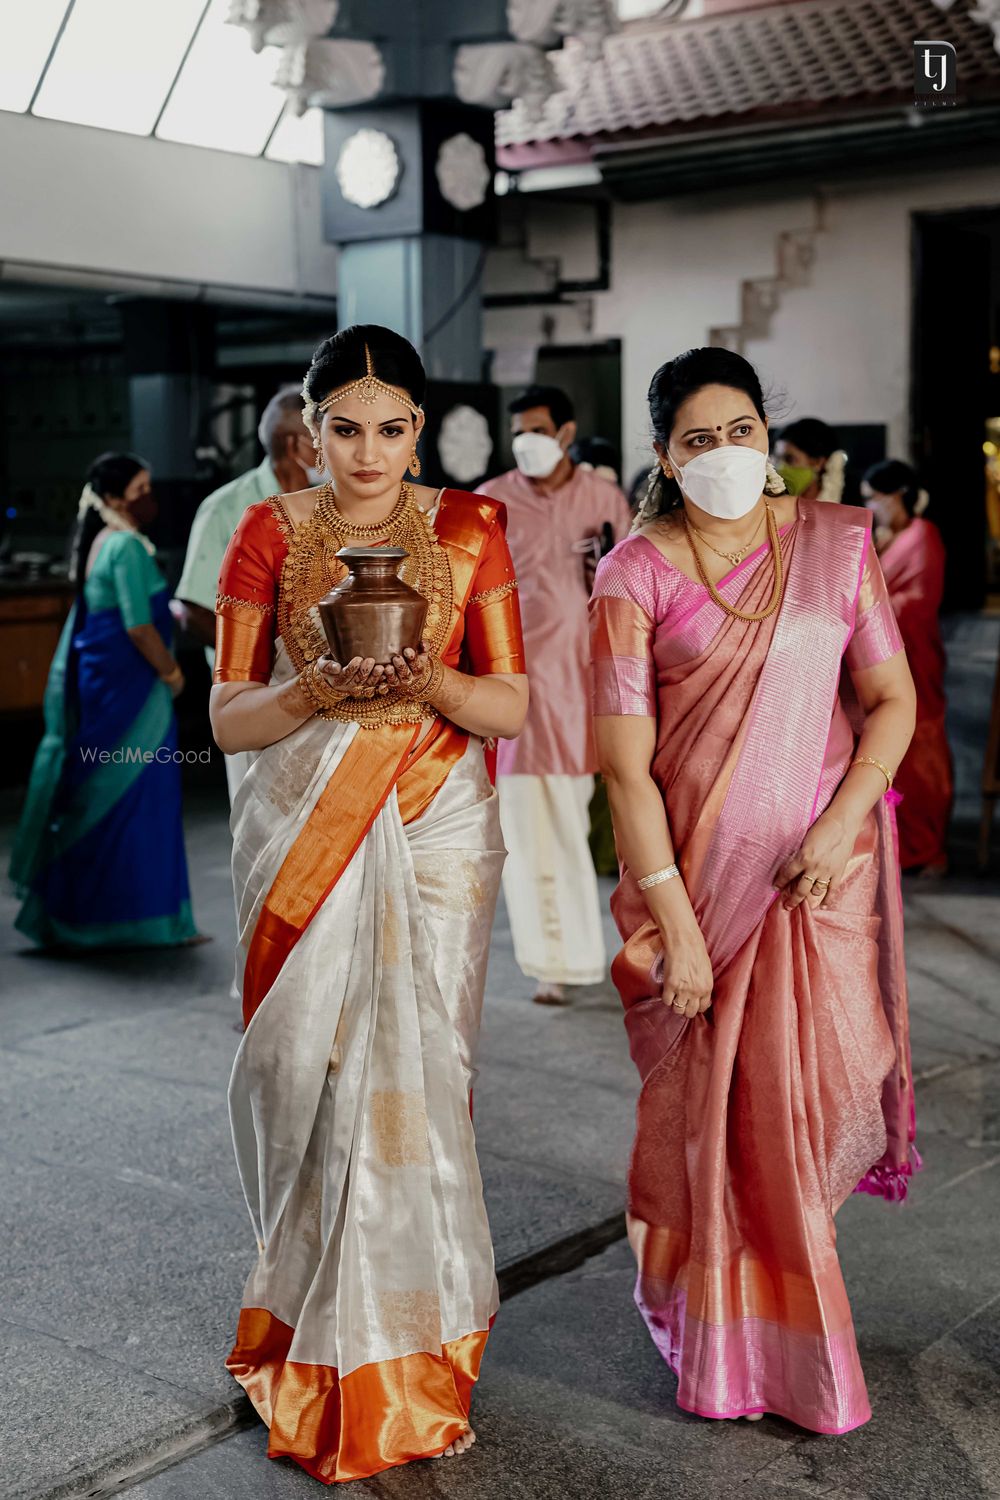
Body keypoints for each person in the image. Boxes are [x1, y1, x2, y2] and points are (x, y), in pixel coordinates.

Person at [210, 325, 527, 1485]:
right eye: (344, 428)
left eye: (391, 428)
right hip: (304, 830)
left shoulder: (469, 529)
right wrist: (315, 691)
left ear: (419, 426)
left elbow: (508, 707)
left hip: (435, 827)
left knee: (412, 1096)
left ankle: (406, 1356)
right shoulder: (267, 532)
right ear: (310, 427)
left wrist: (426, 682)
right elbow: (226, 717)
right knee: (308, 1077)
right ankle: (303, 1335)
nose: (368, 453)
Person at [590, 347, 918, 1433]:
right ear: (661, 456)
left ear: (766, 440)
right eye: (698, 440)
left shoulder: (833, 547)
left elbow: (889, 699)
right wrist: (676, 926)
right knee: (726, 1122)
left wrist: (836, 824)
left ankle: (763, 1328)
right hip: (702, 895)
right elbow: (627, 769)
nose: (725, 455)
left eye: (740, 432)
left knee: (815, 1096)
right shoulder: (633, 574)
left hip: (821, 882)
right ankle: (750, 1348)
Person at [477, 385, 632, 1004]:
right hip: (514, 687)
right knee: (522, 830)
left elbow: (627, 588)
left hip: (581, 688)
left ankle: (582, 955)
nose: (527, 442)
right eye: (519, 431)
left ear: (567, 433)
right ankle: (548, 962)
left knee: (569, 822)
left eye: (538, 429)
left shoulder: (603, 500)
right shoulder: (491, 501)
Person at [10, 453, 197, 948]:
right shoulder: (127, 549)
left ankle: (79, 916)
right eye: (141, 487)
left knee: (101, 798)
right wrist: (173, 673)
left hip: (105, 691)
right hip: (135, 694)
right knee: (141, 800)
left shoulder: (99, 543)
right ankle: (145, 921)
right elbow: (137, 627)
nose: (150, 496)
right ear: (115, 498)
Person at [173, 385, 319, 801]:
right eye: (325, 436)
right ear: (296, 444)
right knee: (262, 822)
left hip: (326, 691)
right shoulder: (227, 508)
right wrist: (271, 658)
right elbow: (194, 609)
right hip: (255, 695)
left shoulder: (334, 504)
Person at [863, 459, 952, 874]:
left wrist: (867, 610)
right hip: (889, 653)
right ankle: (902, 843)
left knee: (920, 751)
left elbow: (918, 603)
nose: (871, 507)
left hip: (914, 656)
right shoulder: (895, 537)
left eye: (873, 499)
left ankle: (927, 844)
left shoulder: (923, 535)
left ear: (895, 495)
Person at [773, 416, 848, 502]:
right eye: (777, 458)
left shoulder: (841, 510)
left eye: (789, 459)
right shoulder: (772, 507)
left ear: (818, 462)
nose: (779, 467)